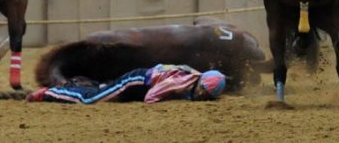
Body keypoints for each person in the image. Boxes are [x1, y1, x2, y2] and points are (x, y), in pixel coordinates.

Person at [27, 64, 226, 104]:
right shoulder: (180, 81)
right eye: (203, 91)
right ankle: (49, 93)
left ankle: (80, 84)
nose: (202, 96)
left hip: (138, 81)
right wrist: (179, 100)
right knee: (90, 100)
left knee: (103, 92)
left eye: (208, 95)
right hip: (135, 82)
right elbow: (151, 98)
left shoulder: (193, 77)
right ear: (200, 82)